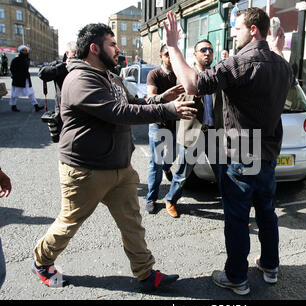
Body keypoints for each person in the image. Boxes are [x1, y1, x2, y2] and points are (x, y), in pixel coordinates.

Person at [32, 23, 197, 290]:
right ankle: (42, 261)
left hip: (120, 167)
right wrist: (168, 109)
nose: (118, 50)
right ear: (95, 49)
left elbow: (133, 104)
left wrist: (160, 99)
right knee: (69, 224)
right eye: (112, 44)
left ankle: (145, 273)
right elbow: (119, 113)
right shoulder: (80, 80)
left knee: (132, 222)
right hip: (85, 170)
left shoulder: (111, 76)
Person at [164, 8, 293, 295]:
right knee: (267, 213)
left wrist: (173, 46)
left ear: (254, 30)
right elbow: (284, 77)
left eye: (237, 27)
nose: (233, 32)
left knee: (237, 219)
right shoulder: (282, 65)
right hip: (269, 156)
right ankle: (270, 267)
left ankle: (236, 277)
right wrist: (277, 49)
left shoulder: (238, 63)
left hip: (242, 156)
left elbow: (191, 84)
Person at [163, 39, 223, 218]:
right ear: (195, 55)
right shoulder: (186, 74)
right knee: (183, 173)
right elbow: (179, 101)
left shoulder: (217, 75)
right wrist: (195, 92)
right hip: (193, 131)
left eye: (210, 50)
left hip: (213, 132)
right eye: (203, 50)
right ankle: (170, 200)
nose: (207, 53)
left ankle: (232, 206)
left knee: (222, 173)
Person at [145, 44, 184, 214]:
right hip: (158, 125)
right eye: (167, 54)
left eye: (173, 54)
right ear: (161, 56)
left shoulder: (179, 74)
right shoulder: (154, 74)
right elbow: (151, 98)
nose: (170, 57)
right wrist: (166, 96)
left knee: (173, 155)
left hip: (176, 124)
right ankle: (151, 198)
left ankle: (167, 167)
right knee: (155, 163)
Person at [38, 42, 77, 142]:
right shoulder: (59, 65)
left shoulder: (81, 64)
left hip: (79, 108)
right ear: (67, 53)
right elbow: (42, 74)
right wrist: (63, 67)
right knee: (63, 138)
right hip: (62, 109)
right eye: (74, 54)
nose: (76, 57)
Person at [9, 45, 42, 112]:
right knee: (14, 94)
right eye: (23, 50)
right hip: (18, 79)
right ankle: (13, 105)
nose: (24, 52)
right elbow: (12, 69)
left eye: (25, 50)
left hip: (26, 79)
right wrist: (15, 76)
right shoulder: (16, 60)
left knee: (31, 93)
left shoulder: (27, 59)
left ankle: (36, 106)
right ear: (20, 51)